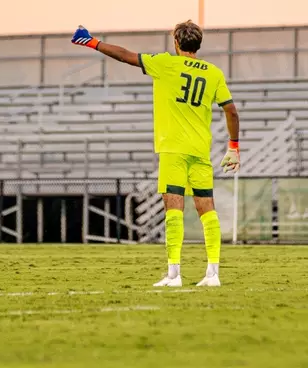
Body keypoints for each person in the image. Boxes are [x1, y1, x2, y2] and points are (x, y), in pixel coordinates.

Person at [71, 20, 240, 287]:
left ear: (176, 42)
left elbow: (126, 56)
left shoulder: (165, 64)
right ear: (198, 44)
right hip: (200, 149)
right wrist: (233, 146)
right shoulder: (213, 73)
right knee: (207, 210)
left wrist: (91, 42)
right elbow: (231, 110)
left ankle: (174, 274)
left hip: (173, 149)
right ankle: (213, 274)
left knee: (174, 210)